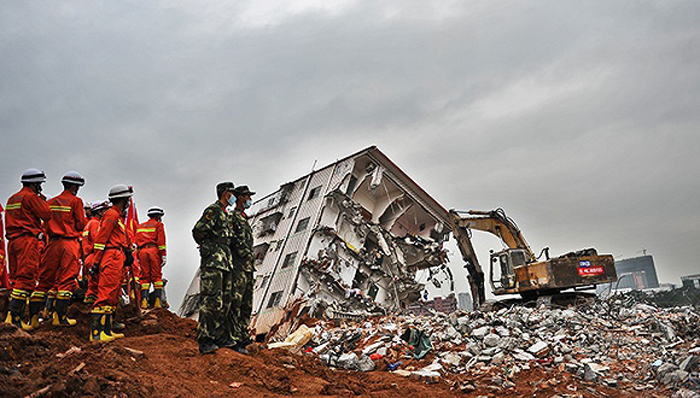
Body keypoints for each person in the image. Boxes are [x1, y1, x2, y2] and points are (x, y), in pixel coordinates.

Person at [31, 171, 87, 328]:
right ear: (75, 187)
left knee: (44, 281)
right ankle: (59, 318)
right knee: (66, 280)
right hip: (69, 243)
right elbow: (81, 225)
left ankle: (33, 319)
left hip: (52, 244)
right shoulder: (76, 201)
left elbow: (43, 223)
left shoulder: (50, 202)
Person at [4, 169, 51, 330]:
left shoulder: (12, 198)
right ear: (34, 183)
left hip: (12, 242)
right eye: (39, 184)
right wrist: (43, 201)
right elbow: (46, 214)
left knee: (16, 278)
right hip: (27, 241)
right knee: (26, 278)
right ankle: (14, 318)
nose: (40, 187)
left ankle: (13, 317)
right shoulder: (30, 197)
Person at [192, 182, 236, 355]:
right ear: (225, 193)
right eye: (231, 193)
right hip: (214, 261)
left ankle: (218, 336)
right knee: (211, 300)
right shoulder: (214, 210)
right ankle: (205, 339)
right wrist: (208, 247)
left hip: (225, 261)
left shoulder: (225, 214)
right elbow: (198, 231)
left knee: (224, 300)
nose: (233, 196)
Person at [86, 184, 134, 341]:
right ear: (122, 200)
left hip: (117, 256)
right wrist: (96, 262)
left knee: (112, 294)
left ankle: (106, 331)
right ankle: (97, 333)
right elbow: (101, 240)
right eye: (127, 199)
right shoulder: (111, 215)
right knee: (106, 294)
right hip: (111, 256)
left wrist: (127, 252)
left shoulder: (117, 217)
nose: (128, 203)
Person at [227, 185, 255, 354]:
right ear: (239, 198)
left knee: (246, 304)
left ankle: (243, 335)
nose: (249, 199)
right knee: (235, 303)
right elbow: (232, 239)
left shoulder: (244, 218)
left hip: (247, 267)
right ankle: (234, 338)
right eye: (246, 196)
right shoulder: (233, 217)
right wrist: (243, 252)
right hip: (238, 266)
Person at [135, 206, 167, 309]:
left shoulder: (140, 226)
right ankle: (157, 302)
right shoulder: (158, 225)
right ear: (158, 216)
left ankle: (144, 301)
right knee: (156, 276)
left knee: (144, 277)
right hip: (154, 251)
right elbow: (161, 241)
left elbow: (136, 241)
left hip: (142, 252)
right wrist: (163, 255)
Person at [82, 200, 110, 304]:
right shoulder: (95, 224)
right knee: (101, 283)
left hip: (89, 257)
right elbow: (98, 240)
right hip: (94, 256)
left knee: (93, 283)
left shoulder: (89, 223)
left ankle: (89, 302)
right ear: (99, 212)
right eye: (104, 210)